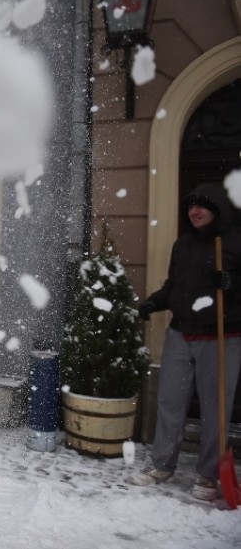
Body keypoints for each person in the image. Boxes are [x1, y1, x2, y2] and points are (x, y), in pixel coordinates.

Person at [129, 183, 241, 501]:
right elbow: (174, 287)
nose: (194, 211)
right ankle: (162, 465)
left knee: (215, 408)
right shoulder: (184, 245)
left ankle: (207, 476)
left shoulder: (234, 241)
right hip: (180, 334)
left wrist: (233, 284)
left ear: (217, 208)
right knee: (170, 403)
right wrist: (153, 303)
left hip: (221, 336)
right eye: (191, 206)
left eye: (202, 206)